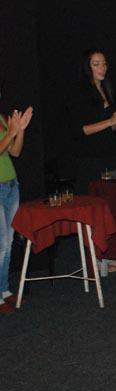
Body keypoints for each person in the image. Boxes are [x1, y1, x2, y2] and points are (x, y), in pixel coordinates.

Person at [68, 49, 116, 195]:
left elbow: (111, 127)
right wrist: (110, 121)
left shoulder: (108, 88)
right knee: (93, 200)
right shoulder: (78, 91)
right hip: (91, 158)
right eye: (96, 64)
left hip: (111, 154)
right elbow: (79, 130)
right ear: (87, 67)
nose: (102, 68)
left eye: (104, 64)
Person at [0, 106, 33, 314]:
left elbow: (15, 152)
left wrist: (20, 130)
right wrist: (12, 132)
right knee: (1, 243)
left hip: (11, 184)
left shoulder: (2, 118)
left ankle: (3, 288)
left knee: (9, 241)